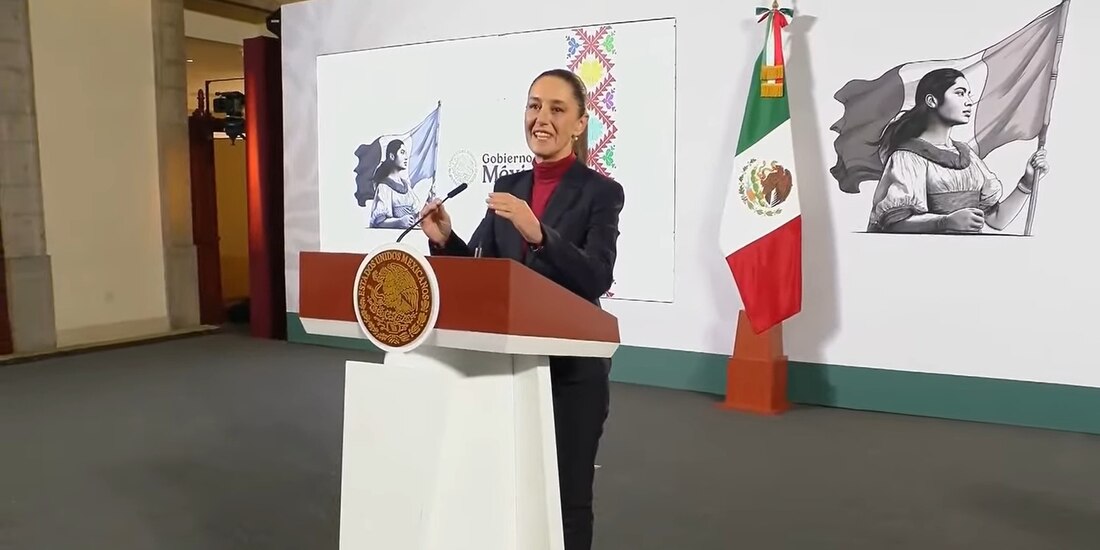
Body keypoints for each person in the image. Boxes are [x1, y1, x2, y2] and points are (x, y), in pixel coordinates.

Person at [418, 68, 624, 550]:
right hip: (506, 368)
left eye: (556, 108)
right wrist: (446, 240)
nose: (541, 118)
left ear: (579, 124)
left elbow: (597, 277)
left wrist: (539, 234)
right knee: (508, 489)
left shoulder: (601, 193)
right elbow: (483, 271)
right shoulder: (508, 186)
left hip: (571, 373)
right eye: (533, 106)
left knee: (567, 497)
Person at [867, 68, 1049, 233]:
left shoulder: (967, 155)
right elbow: (894, 223)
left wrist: (1027, 182)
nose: (969, 102)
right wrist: (944, 222)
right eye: (960, 93)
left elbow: (997, 220)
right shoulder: (907, 157)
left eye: (968, 94)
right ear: (932, 101)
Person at [370, 139, 429, 229]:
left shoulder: (406, 186)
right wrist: (399, 222)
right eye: (402, 152)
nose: (406, 157)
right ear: (392, 156)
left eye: (406, 153)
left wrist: (428, 205)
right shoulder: (384, 187)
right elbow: (379, 222)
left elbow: (416, 215)